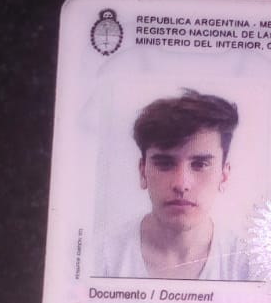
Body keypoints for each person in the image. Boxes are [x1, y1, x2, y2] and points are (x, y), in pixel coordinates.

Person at [100, 90, 250, 280]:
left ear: (224, 176)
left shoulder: (246, 265)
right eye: (165, 163)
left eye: (200, 164)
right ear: (143, 172)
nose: (181, 184)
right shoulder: (102, 259)